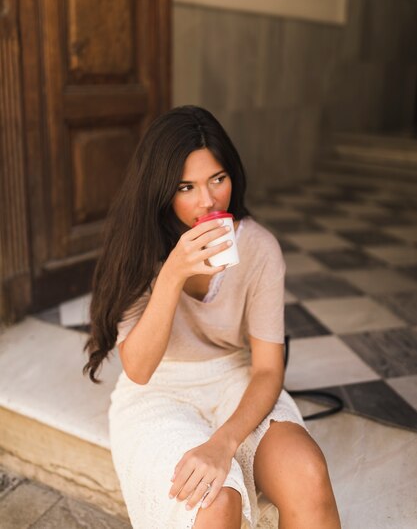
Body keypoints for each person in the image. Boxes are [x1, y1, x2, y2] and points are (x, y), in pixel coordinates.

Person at [83, 106, 341, 529]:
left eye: (217, 179)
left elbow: (268, 368)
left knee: (308, 474)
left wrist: (223, 443)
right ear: (161, 190)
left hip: (236, 380)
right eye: (186, 186)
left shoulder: (258, 248)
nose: (208, 200)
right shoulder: (136, 248)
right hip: (158, 392)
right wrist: (172, 274)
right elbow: (140, 369)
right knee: (214, 502)